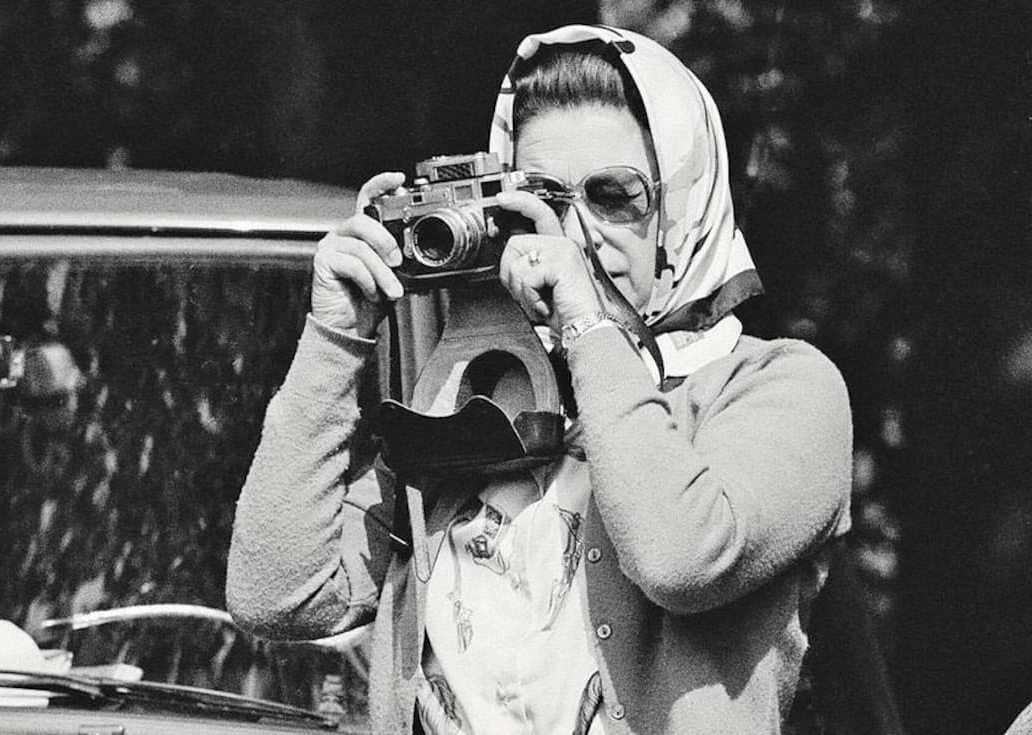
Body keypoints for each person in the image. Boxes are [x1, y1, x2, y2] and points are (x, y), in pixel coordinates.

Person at [227, 24, 852, 735]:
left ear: (681, 211)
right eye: (546, 198)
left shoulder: (783, 388)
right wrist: (336, 337)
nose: (578, 231)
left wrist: (587, 323)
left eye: (613, 195)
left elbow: (679, 559)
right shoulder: (482, 398)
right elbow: (276, 595)